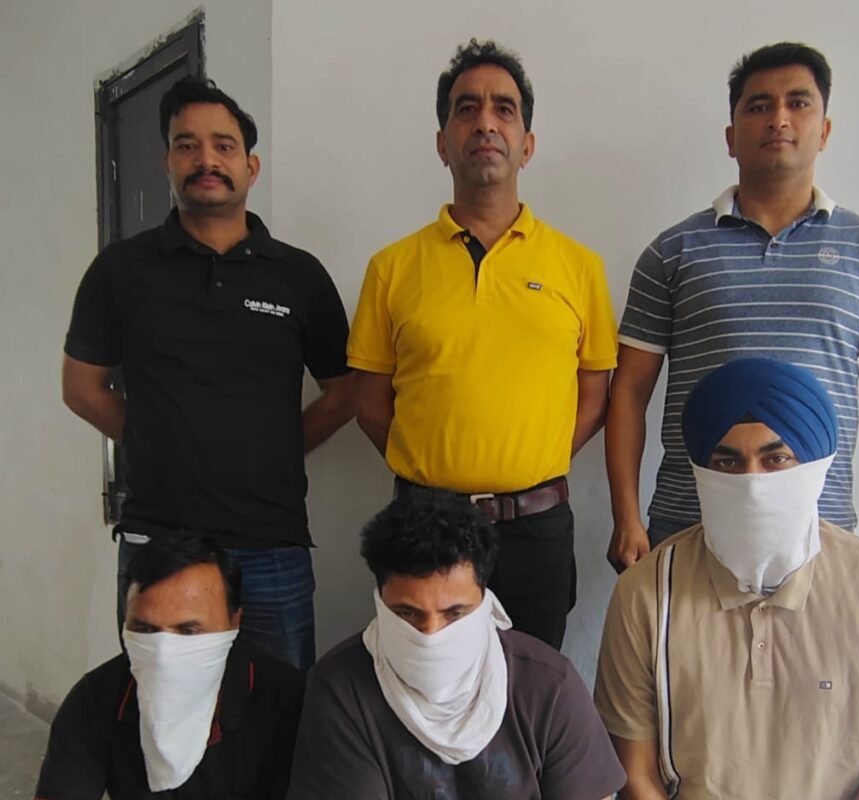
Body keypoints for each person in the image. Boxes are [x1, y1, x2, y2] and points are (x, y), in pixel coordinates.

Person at [61, 76, 354, 668]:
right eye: (186, 145)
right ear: (167, 163)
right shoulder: (120, 271)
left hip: (272, 544)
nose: (206, 160)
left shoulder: (299, 276)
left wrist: (278, 447)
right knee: (163, 708)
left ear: (251, 166)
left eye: (223, 146)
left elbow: (345, 393)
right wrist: (155, 437)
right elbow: (82, 387)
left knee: (278, 710)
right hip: (158, 541)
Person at [606, 42, 859, 572]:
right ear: (731, 137)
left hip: (820, 536)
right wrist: (627, 518)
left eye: (798, 103)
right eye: (759, 105)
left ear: (824, 130)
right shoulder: (672, 252)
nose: (779, 118)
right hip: (689, 528)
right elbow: (629, 391)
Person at [348, 39, 618, 648]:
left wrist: (530, 460)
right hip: (422, 525)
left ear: (527, 143)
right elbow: (369, 404)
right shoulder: (392, 268)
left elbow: (595, 396)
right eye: (466, 109)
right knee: (423, 680)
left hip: (537, 531)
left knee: (532, 685)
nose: (486, 123)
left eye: (504, 109)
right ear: (443, 142)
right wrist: (434, 468)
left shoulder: (579, 267)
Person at [595, 358, 859, 799]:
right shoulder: (645, 594)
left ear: (816, 466)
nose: (752, 485)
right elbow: (636, 776)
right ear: (702, 472)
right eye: (727, 463)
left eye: (776, 459)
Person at [287, 497, 625, 800]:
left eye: (455, 614)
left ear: (485, 601)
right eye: (407, 614)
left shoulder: (549, 686)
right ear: (380, 601)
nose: (431, 634)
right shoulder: (341, 689)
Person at [35, 536, 304, 800]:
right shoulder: (95, 699)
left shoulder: (286, 700)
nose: (163, 653)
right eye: (145, 630)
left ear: (234, 622)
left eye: (189, 631)